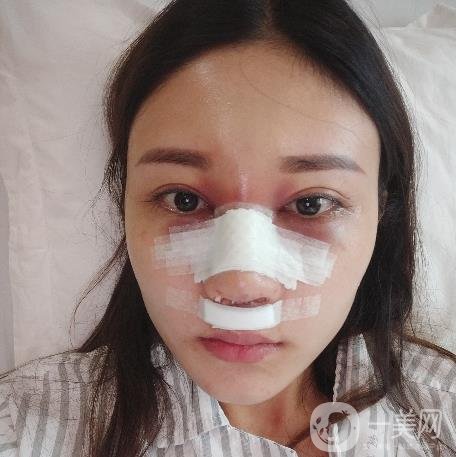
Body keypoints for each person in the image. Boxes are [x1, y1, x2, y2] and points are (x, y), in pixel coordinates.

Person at [1, 0, 456, 456]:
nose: (241, 287)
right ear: (125, 203)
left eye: (311, 204)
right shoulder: (23, 432)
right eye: (184, 200)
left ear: (382, 212)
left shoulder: (443, 408)